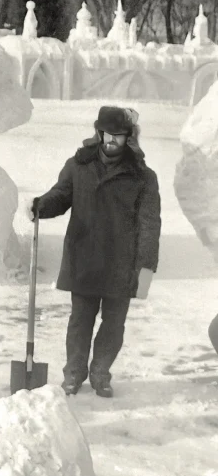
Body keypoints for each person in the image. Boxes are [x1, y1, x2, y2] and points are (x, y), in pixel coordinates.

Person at [31, 105, 161, 398]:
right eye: (107, 134)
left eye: (119, 135)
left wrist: (146, 266)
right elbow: (61, 195)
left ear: (129, 136)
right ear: (99, 133)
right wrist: (41, 206)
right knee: (80, 321)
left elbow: (150, 224)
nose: (112, 140)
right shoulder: (79, 165)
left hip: (122, 262)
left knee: (114, 323)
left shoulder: (143, 176)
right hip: (85, 256)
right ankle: (74, 373)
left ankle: (101, 372)